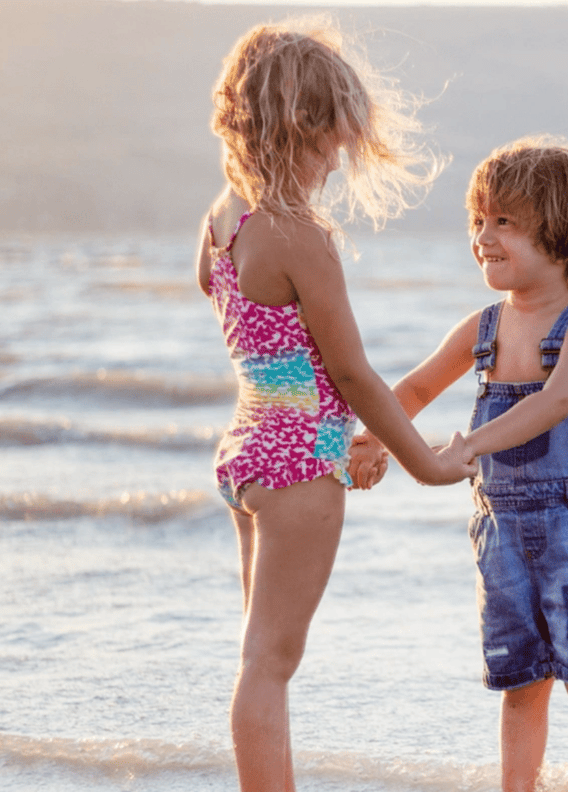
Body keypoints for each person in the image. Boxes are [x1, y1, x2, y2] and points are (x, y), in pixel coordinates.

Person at [194, 18, 475, 792]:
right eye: (333, 144)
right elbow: (351, 375)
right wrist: (429, 462)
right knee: (271, 665)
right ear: (299, 130)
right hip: (297, 473)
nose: (338, 161)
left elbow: (243, 328)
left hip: (245, 455)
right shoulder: (300, 237)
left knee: (260, 657)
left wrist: (305, 414)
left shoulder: (224, 222)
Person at [351, 136, 568, 792]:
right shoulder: (482, 328)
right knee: (520, 684)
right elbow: (415, 391)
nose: (483, 235)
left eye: (504, 221)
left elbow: (555, 404)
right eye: (478, 220)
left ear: (560, 233)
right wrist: (373, 439)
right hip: (503, 537)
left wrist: (469, 446)